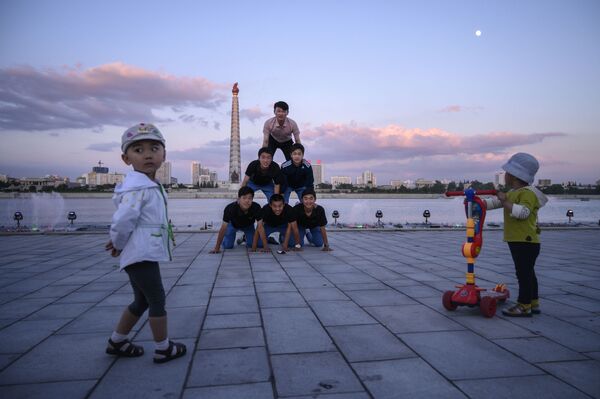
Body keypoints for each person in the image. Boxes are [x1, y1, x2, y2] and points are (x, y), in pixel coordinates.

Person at [105, 123, 186, 363]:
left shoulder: (148, 185)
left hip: (142, 252)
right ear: (126, 158)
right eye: (138, 150)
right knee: (157, 299)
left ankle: (117, 341)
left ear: (164, 154)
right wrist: (117, 242)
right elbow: (123, 220)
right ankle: (163, 348)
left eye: (154, 148)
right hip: (140, 253)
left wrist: (118, 241)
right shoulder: (137, 188)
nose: (148, 154)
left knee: (141, 300)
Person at [483, 153, 548, 317]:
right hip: (518, 240)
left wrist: (505, 202)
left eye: (506, 171)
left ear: (513, 175)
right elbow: (496, 203)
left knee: (523, 273)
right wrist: (478, 204)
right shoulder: (513, 192)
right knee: (528, 272)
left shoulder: (528, 193)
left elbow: (524, 212)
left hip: (525, 241)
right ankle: (533, 302)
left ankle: (524, 305)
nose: (504, 174)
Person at [210, 186, 262, 252]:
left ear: (252, 199)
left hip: (248, 226)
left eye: (250, 198)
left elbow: (260, 226)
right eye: (244, 198)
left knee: (253, 244)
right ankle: (228, 237)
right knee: (227, 246)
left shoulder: (256, 207)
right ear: (238, 199)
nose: (247, 200)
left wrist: (254, 248)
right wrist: (217, 248)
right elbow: (223, 228)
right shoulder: (230, 208)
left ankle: (244, 238)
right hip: (233, 225)